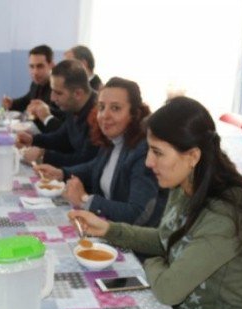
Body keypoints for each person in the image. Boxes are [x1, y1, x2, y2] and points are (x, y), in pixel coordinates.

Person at [69, 96, 242, 309]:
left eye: (157, 153)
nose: (149, 162)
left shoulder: (228, 211)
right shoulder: (187, 183)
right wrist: (110, 229)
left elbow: (167, 288)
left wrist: (155, 260)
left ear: (193, 156)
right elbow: (167, 239)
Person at [34, 78, 166, 226]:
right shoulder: (115, 139)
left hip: (132, 244)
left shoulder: (143, 152)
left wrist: (85, 199)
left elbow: (138, 213)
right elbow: (96, 167)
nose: (104, 115)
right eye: (101, 107)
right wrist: (62, 173)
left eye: (115, 108)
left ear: (135, 114)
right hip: (108, 228)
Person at [16, 59, 98, 168]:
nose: (52, 98)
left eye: (58, 93)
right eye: (52, 91)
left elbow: (84, 160)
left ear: (78, 93)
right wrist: (33, 140)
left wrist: (44, 155)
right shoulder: (73, 105)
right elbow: (61, 138)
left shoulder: (99, 114)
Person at [1, 44, 65, 133]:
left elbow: (63, 123)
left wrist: (43, 111)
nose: (35, 72)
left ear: (52, 65)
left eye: (40, 66)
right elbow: (27, 100)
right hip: (35, 131)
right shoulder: (36, 83)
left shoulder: (59, 89)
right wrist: (12, 103)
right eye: (31, 66)